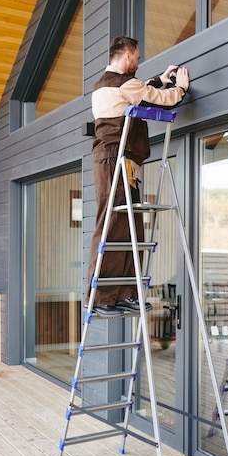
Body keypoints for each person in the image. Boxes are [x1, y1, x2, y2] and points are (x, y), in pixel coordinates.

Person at [86, 36, 189, 317]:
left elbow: (138, 91)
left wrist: (158, 79)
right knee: (112, 226)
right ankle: (101, 298)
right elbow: (162, 100)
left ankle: (125, 294)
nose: (138, 62)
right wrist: (179, 87)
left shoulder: (107, 84)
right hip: (114, 161)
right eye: (137, 57)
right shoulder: (120, 84)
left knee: (129, 228)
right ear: (127, 55)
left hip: (123, 162)